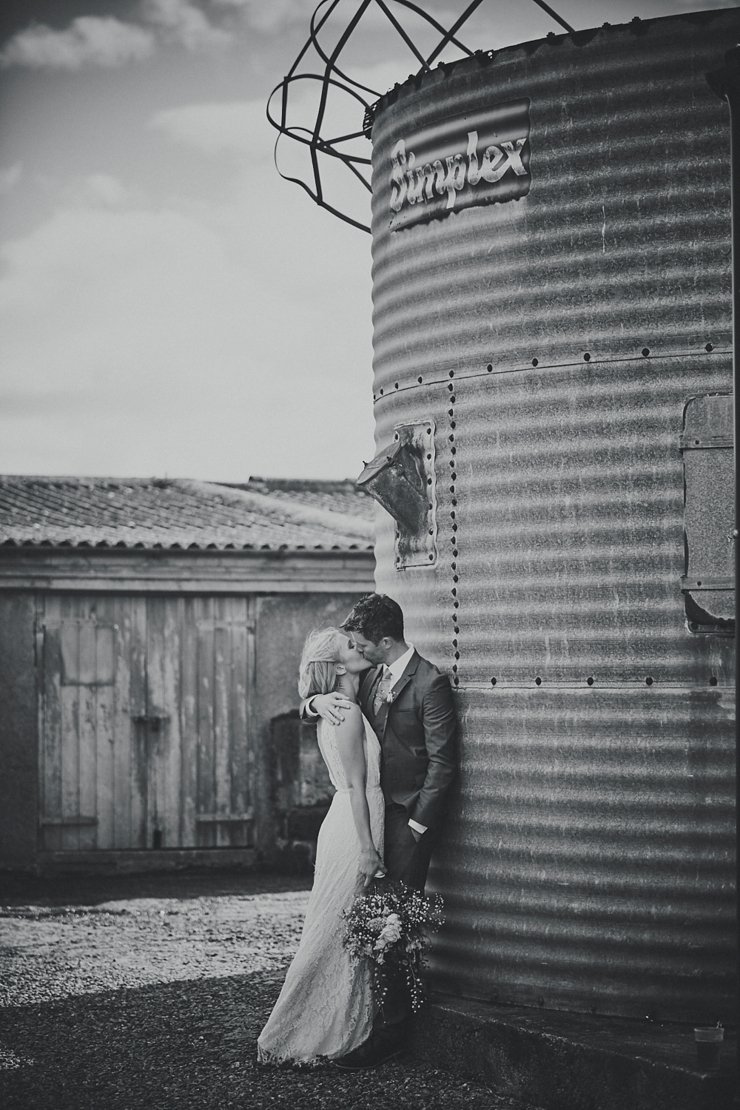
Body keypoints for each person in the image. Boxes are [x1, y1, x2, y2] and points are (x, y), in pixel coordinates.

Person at [303, 592, 458, 1071]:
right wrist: (313, 701)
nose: (357, 649)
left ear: (384, 641)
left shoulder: (430, 682)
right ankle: (374, 1020)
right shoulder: (368, 677)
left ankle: (392, 1030)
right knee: (372, 921)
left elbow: (443, 764)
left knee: (392, 924)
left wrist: (416, 824)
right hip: (367, 818)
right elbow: (321, 684)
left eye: (360, 642)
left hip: (406, 825)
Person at [257, 627, 385, 1067]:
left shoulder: (333, 705)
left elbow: (308, 701)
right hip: (357, 821)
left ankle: (341, 1025)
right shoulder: (344, 711)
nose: (361, 647)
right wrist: (369, 848)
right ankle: (301, 1028)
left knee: (341, 926)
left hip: (349, 816)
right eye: (351, 647)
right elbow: (354, 783)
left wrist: (312, 700)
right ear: (335, 667)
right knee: (336, 927)